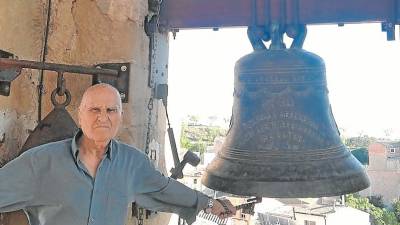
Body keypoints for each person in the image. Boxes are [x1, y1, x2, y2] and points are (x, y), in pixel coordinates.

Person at [0, 83, 236, 225]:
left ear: (120, 118)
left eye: (111, 110)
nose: (103, 117)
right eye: (94, 110)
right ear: (80, 116)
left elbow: (165, 190)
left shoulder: (132, 164)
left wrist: (208, 203)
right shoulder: (41, 162)